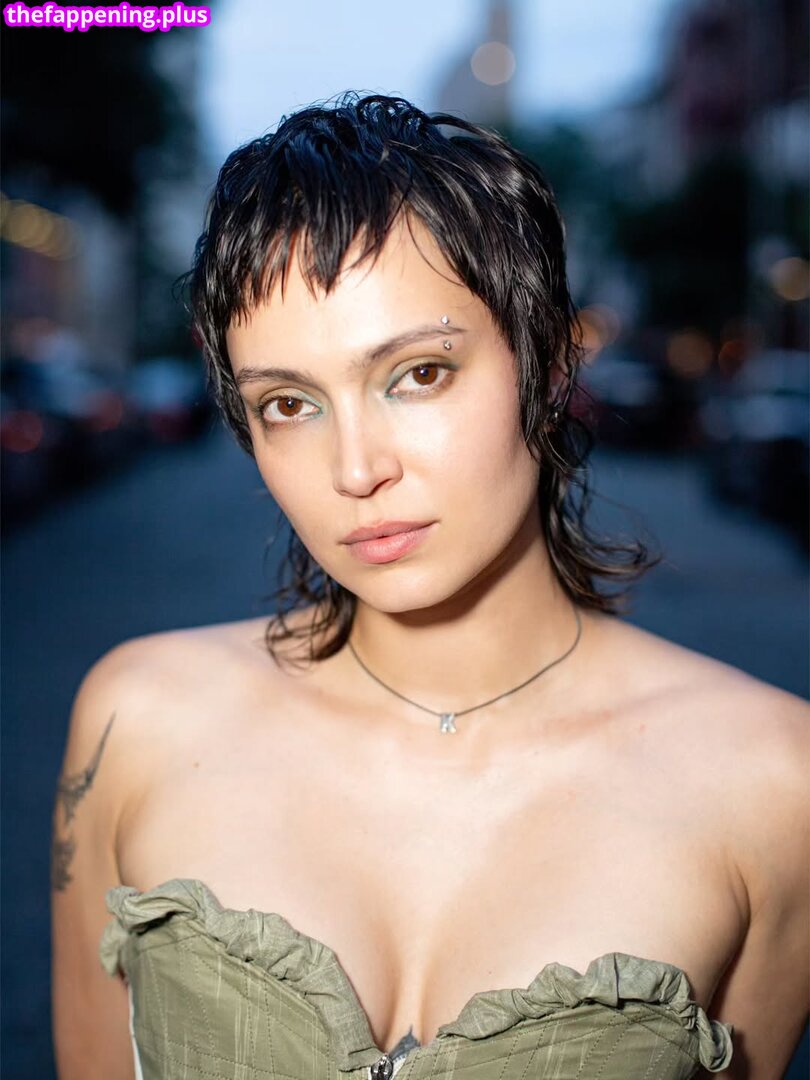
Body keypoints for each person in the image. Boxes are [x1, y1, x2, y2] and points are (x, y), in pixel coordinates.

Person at [51, 92, 808, 1080]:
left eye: (417, 375)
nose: (356, 469)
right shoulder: (138, 721)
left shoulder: (776, 781)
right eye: (289, 404)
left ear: (546, 362)